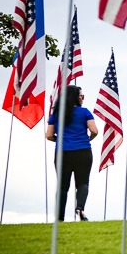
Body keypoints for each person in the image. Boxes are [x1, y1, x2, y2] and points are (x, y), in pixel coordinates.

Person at [46, 85, 98, 222]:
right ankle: (80, 208)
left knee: (62, 186)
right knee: (83, 182)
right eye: (81, 95)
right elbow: (94, 131)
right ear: (74, 96)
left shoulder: (55, 114)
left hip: (62, 153)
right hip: (83, 152)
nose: (82, 98)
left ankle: (59, 218)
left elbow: (49, 135)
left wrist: (63, 139)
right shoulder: (85, 112)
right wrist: (85, 139)